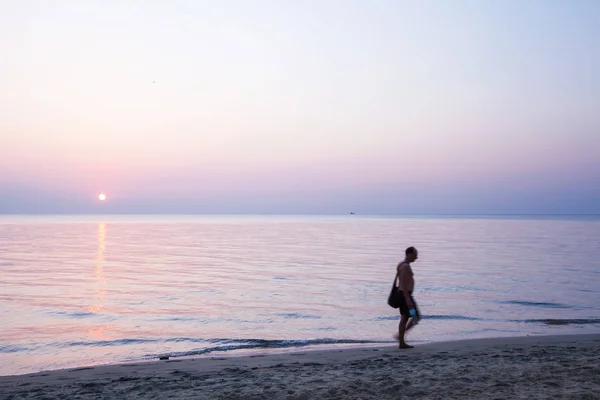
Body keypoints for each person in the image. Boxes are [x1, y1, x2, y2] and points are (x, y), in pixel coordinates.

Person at [394, 246, 421, 348]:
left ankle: (401, 341)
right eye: (415, 255)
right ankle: (400, 338)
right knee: (415, 316)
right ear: (409, 254)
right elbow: (404, 284)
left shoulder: (401, 264)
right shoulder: (405, 266)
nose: (416, 257)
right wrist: (408, 299)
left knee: (404, 318)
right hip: (406, 297)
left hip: (403, 295)